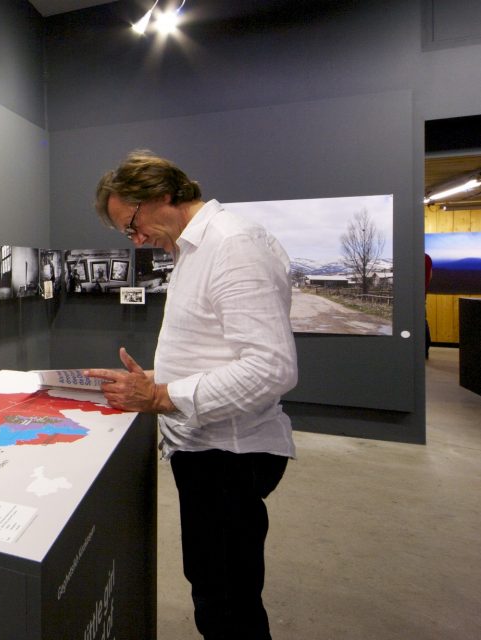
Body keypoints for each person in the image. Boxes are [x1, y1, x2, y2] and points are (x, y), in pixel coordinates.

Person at [85, 150, 298, 640]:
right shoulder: (194, 250)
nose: (136, 241)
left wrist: (160, 395)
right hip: (207, 449)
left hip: (230, 454)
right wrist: (152, 381)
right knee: (213, 585)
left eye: (132, 224)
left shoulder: (233, 245)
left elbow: (271, 368)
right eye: (126, 234)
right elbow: (215, 350)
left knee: (227, 602)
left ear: (163, 195)